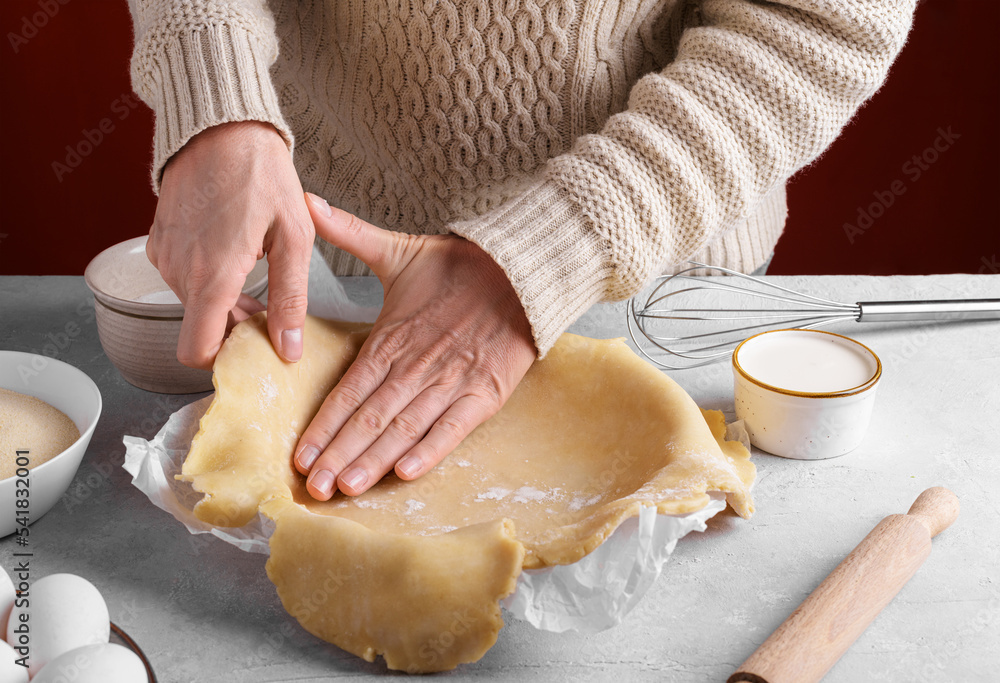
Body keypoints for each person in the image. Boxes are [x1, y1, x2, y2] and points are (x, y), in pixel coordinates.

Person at [127, 0, 916, 501]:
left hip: (652, 282)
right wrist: (214, 90)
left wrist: (544, 256)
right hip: (334, 253)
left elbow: (826, 19)